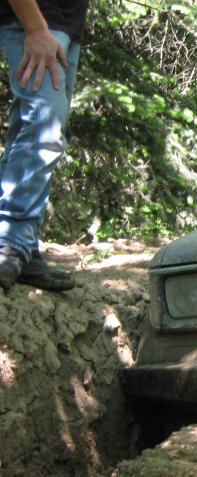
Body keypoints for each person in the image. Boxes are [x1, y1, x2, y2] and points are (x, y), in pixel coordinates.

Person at [0, 0, 88, 292]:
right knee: (44, 126)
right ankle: (10, 243)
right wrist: (36, 28)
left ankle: (23, 247)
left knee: (27, 128)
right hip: (35, 22)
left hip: (65, 25)